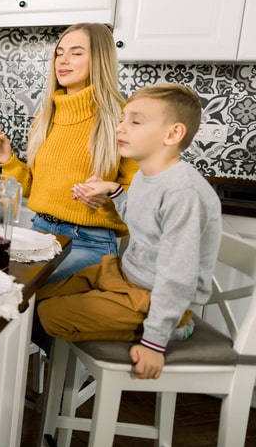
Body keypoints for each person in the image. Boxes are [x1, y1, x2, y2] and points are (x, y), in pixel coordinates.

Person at [37, 83, 222, 379]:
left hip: (150, 295)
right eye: (122, 119)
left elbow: (178, 277)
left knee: (48, 315)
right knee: (35, 296)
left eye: (135, 122)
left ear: (172, 134)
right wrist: (113, 192)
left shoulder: (182, 193)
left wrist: (153, 343)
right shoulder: (148, 175)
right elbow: (140, 218)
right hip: (121, 275)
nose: (120, 128)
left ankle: (173, 326)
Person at [0, 23, 139, 283]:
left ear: (100, 59)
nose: (62, 60)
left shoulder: (121, 118)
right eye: (59, 52)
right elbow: (33, 187)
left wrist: (107, 198)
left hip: (90, 242)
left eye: (76, 53)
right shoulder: (46, 116)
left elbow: (140, 203)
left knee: (16, 289)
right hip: (39, 233)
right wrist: (6, 159)